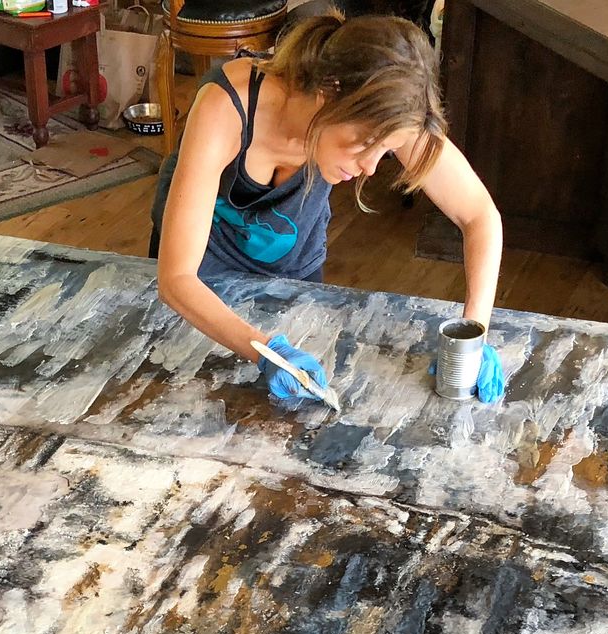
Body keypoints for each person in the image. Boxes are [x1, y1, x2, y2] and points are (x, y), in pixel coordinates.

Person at [151, 9, 504, 405]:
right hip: (203, 283)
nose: (371, 166)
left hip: (295, 277)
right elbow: (177, 278)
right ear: (328, 95)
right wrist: (267, 351)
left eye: (385, 152)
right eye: (367, 145)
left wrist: (475, 332)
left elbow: (479, 215)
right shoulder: (227, 106)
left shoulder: (386, 112)